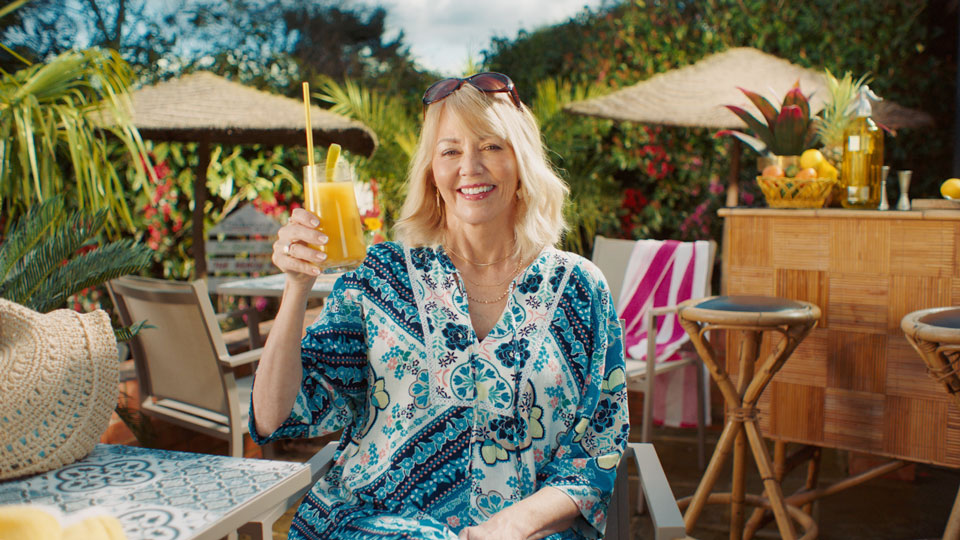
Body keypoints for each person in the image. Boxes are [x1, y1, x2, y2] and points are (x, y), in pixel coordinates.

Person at [251, 72, 629, 540]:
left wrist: (510, 525)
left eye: (491, 146)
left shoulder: (579, 289)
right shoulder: (379, 276)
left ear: (522, 162)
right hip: (371, 526)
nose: (470, 166)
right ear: (432, 172)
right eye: (450, 151)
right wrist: (294, 289)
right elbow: (275, 416)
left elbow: (597, 451)